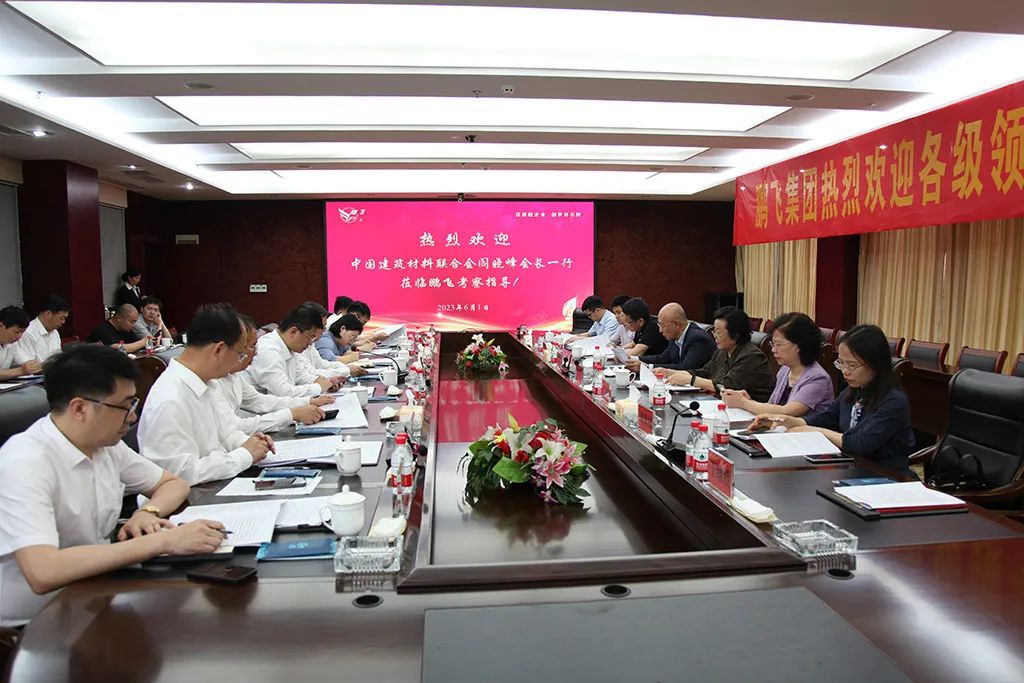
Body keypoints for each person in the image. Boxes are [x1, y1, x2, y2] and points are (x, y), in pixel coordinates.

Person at [0, 344, 226, 627]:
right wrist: (163, 541)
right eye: (125, 405)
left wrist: (148, 512)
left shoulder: (104, 445)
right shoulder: (25, 462)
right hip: (38, 623)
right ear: (80, 408)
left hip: (96, 592)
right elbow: (43, 571)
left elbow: (173, 483)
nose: (132, 416)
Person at [750, 324, 915, 473]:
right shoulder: (853, 391)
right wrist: (789, 421)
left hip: (886, 476)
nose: (845, 371)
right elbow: (826, 417)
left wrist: (814, 431)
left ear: (875, 364)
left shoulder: (893, 401)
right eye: (841, 363)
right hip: (851, 468)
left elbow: (861, 443)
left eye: (851, 365)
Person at [139, 303, 273, 485]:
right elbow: (179, 474)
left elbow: (226, 432)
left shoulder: (207, 381)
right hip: (188, 499)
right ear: (218, 350)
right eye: (240, 354)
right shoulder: (171, 398)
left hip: (213, 484)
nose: (240, 361)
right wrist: (245, 454)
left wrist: (249, 442)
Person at [209, 316, 331, 445]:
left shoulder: (232, 374)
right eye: (248, 347)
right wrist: (291, 414)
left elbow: (259, 400)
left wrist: (307, 401)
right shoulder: (211, 381)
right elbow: (235, 427)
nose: (255, 353)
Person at [722, 312, 834, 416]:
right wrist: (749, 401)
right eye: (773, 344)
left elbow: (787, 412)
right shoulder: (785, 370)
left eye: (778, 345)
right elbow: (773, 406)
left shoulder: (817, 378)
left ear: (799, 346)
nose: (773, 350)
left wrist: (744, 403)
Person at [667, 306, 774, 401]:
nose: (715, 336)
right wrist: (673, 373)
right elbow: (705, 372)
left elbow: (726, 386)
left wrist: (691, 380)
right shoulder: (722, 351)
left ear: (735, 334)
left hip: (750, 412)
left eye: (718, 332)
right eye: (714, 331)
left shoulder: (752, 356)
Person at [247, 305, 341, 398]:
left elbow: (301, 376)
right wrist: (318, 387)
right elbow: (282, 392)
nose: (310, 343)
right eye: (310, 337)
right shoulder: (268, 350)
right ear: (293, 332)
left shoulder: (289, 347)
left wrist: (326, 382)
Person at [625, 303, 714, 372]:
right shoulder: (674, 335)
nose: (660, 331)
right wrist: (635, 359)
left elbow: (686, 368)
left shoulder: (699, 339)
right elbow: (664, 358)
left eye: (662, 325)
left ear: (676, 324)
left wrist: (648, 367)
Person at [298, 302, 366, 378]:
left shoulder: (311, 343)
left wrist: (346, 368)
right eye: (323, 327)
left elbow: (321, 364)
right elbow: (310, 373)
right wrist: (346, 370)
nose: (324, 331)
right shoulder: (324, 339)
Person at [13, 294, 70, 365]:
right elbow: (30, 366)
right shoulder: (28, 332)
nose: (63, 322)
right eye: (61, 318)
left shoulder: (55, 332)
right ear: (48, 314)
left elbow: (58, 360)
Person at [0, 306, 41, 380]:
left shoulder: (12, 343)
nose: (19, 337)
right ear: (1, 326)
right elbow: (23, 370)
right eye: (17, 332)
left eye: (22, 332)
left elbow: (25, 361)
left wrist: (33, 366)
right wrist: (21, 371)